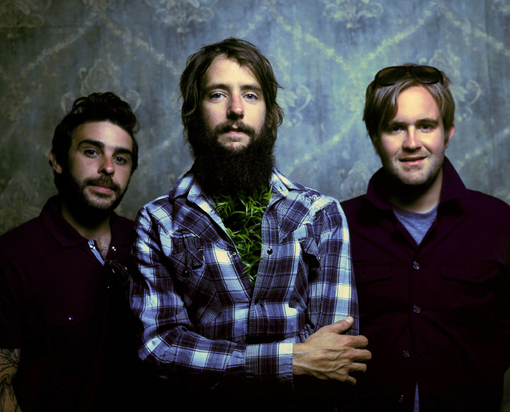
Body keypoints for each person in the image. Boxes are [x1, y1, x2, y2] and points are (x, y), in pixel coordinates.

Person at [129, 37, 371, 411]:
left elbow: (337, 353)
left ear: (270, 114)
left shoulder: (320, 214)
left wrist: (216, 359)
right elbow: (159, 347)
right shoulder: (158, 221)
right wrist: (292, 360)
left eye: (251, 95)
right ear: (193, 113)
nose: (236, 109)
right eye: (217, 94)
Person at [341, 64, 510, 411]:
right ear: (374, 136)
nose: (412, 143)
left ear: (448, 133)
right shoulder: (337, 225)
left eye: (426, 126)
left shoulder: (499, 221)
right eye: (395, 128)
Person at [0, 92, 143, 411]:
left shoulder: (148, 243)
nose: (108, 168)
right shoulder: (11, 256)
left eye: (121, 158)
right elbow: (2, 384)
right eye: (91, 151)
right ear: (58, 161)